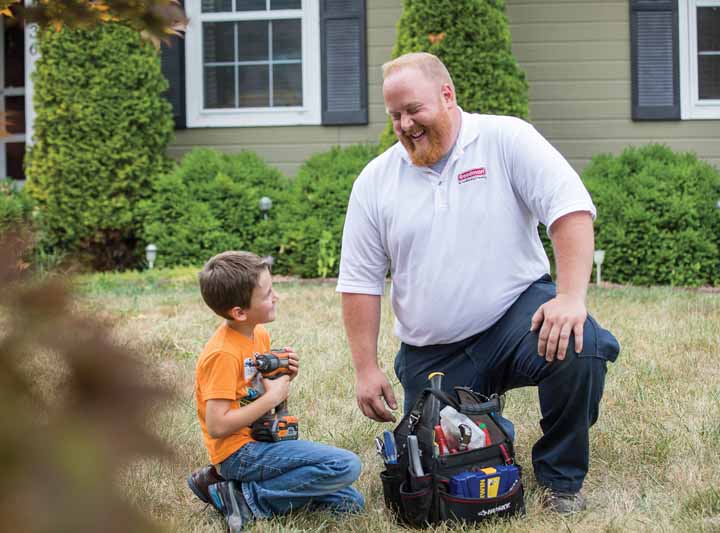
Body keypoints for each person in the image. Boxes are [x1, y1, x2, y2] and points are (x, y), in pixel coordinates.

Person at [337, 52, 620, 514]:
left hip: (515, 315)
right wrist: (365, 368)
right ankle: (488, 432)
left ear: (447, 96)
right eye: (394, 115)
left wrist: (570, 298)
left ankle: (560, 481)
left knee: (579, 343)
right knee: (440, 464)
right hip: (435, 348)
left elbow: (569, 209)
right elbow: (360, 281)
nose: (405, 125)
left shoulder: (506, 138)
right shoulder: (375, 181)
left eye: (414, 110)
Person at [188, 251, 364, 532]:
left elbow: (256, 391)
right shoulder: (222, 354)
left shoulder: (258, 334)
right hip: (238, 452)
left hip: (262, 439)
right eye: (268, 293)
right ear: (239, 312)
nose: (276, 297)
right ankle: (247, 498)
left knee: (350, 502)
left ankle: (228, 489)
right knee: (345, 466)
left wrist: (282, 375)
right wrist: (273, 396)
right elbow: (217, 424)